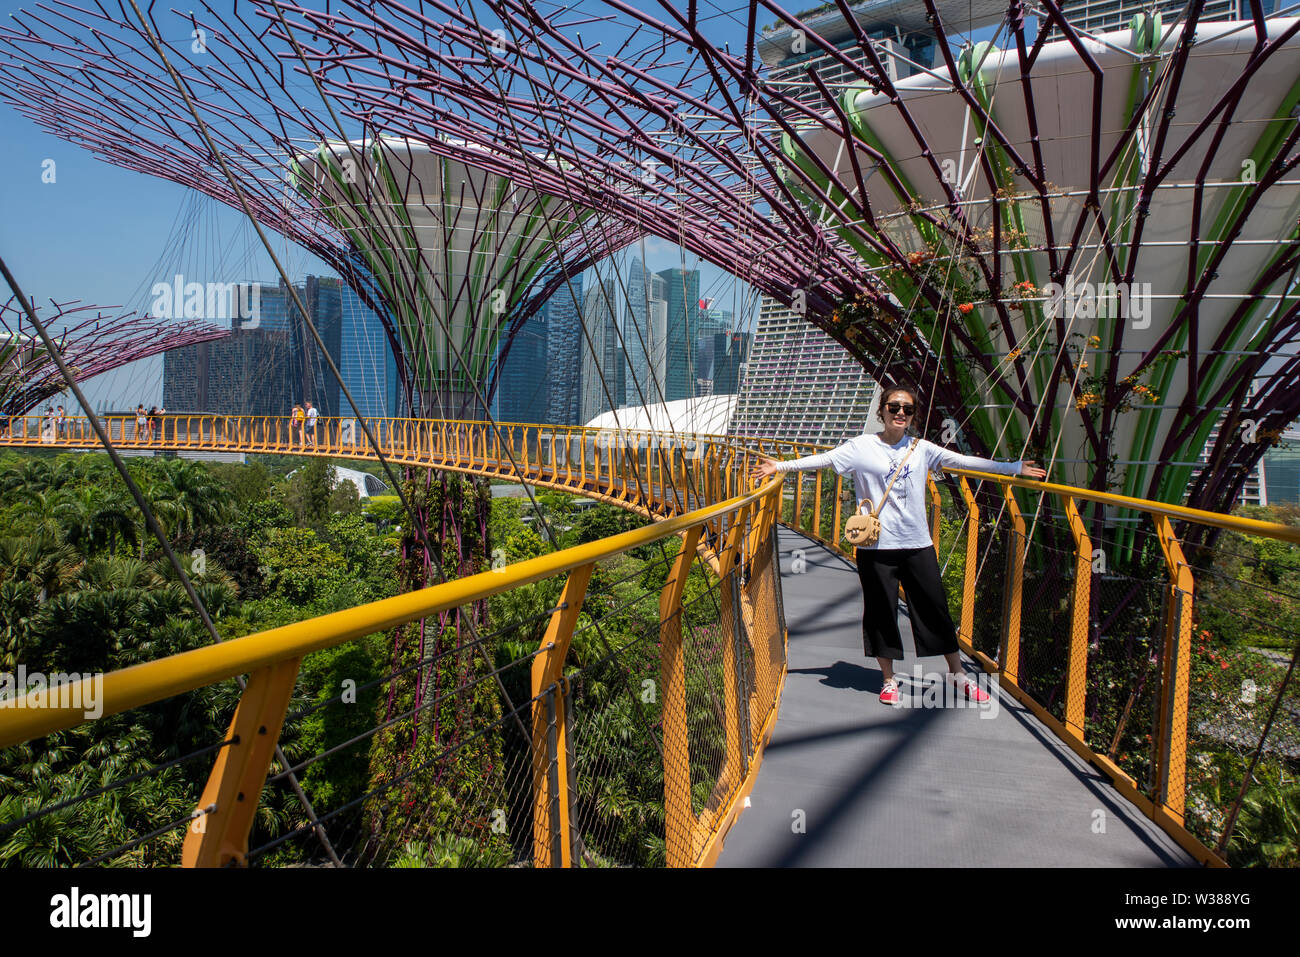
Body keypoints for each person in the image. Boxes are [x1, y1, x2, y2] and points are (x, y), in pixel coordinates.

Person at [750, 380, 1048, 706]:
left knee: (935, 609)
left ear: (912, 415)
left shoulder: (921, 448)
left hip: (916, 543)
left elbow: (963, 462)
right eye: (894, 407)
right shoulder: (861, 446)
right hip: (875, 547)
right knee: (881, 612)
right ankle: (889, 680)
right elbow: (822, 460)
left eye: (907, 409)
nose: (901, 413)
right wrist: (779, 466)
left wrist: (1013, 468)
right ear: (882, 411)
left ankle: (958, 674)